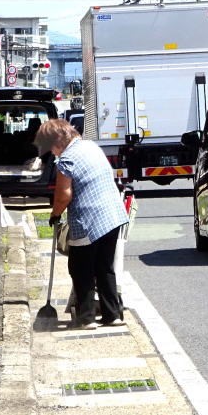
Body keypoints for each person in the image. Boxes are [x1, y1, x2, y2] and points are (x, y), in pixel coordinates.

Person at [35, 119, 128, 330]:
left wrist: (55, 214)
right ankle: (112, 315)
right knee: (105, 267)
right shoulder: (91, 146)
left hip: (89, 219)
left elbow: (63, 196)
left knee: (80, 268)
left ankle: (86, 318)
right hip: (113, 215)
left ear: (57, 142)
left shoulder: (66, 160)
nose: (53, 153)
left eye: (51, 148)